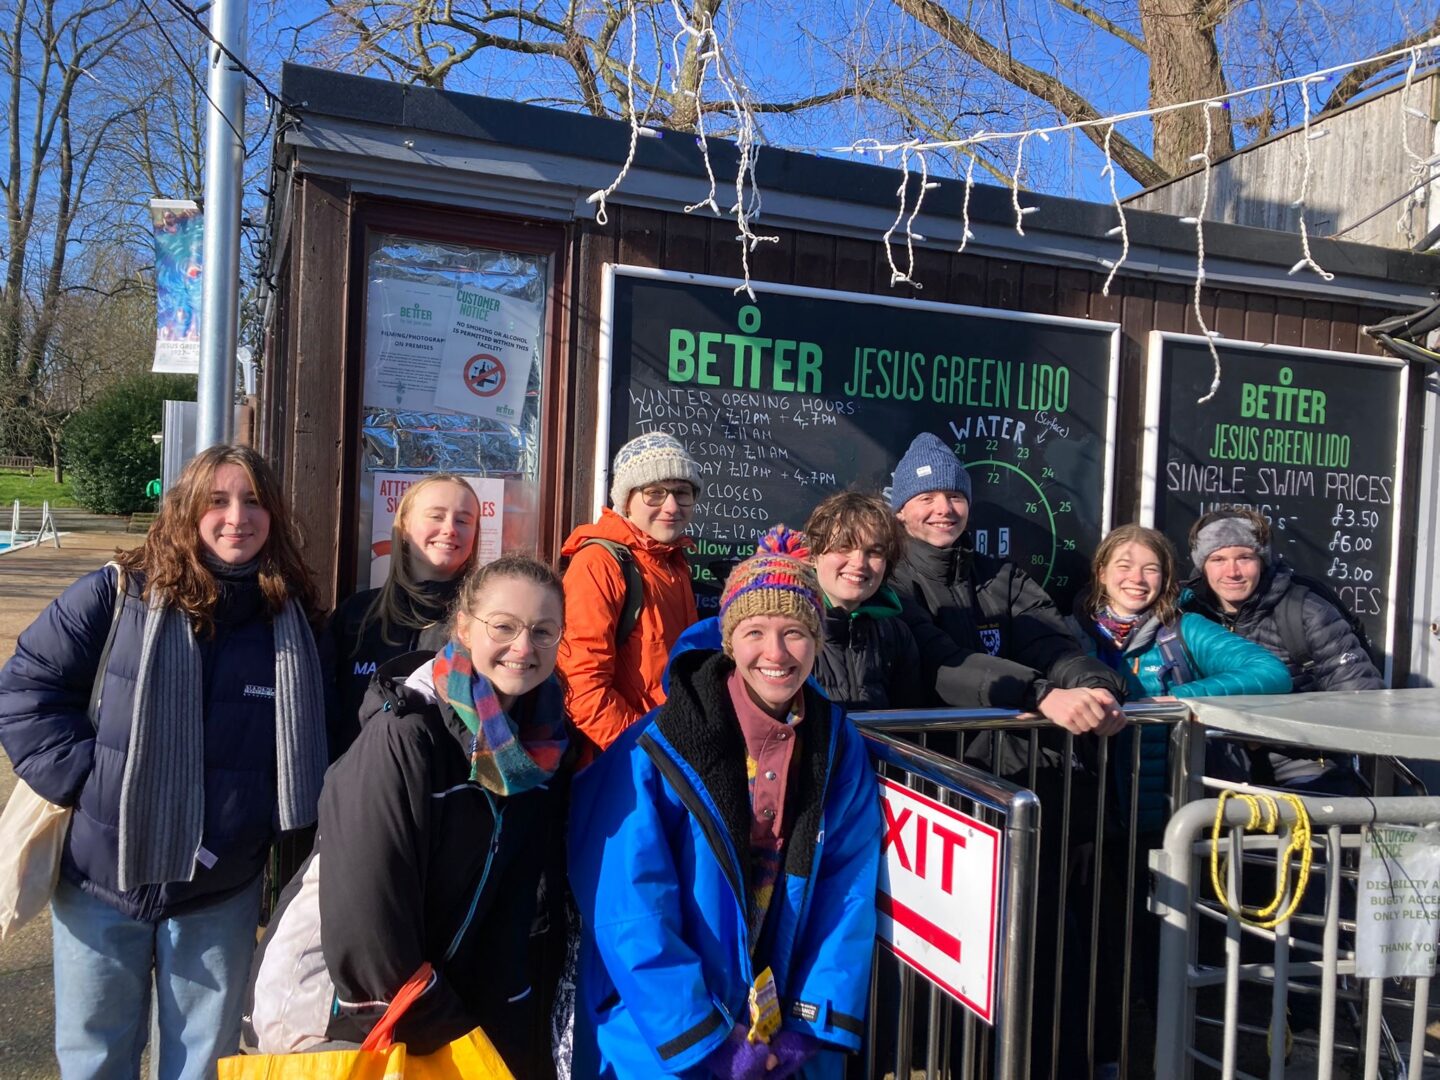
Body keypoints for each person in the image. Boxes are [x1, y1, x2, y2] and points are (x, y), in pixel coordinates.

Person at [0, 444, 327, 1080]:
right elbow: (27, 688)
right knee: (95, 1061)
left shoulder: (293, 620)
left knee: (201, 1067)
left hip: (219, 892)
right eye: (218, 500)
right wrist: (87, 780)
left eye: (254, 501)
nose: (238, 517)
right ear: (186, 510)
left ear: (274, 516)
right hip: (102, 882)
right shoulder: (115, 594)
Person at [249, 554, 570, 1072]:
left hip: (432, 1005)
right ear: (463, 626)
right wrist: (455, 1033)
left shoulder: (539, 750)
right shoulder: (406, 736)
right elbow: (367, 925)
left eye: (543, 630)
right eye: (503, 626)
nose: (523, 647)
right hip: (336, 1013)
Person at [567, 549, 881, 1078]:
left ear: (818, 641)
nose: (775, 652)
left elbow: (846, 888)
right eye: (755, 631)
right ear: (729, 640)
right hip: (661, 1028)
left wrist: (810, 1022)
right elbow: (630, 908)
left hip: (777, 1025)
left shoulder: (836, 744)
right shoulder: (660, 747)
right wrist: (704, 1038)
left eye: (795, 632)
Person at [887, 432, 1128, 734]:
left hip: (1011, 763)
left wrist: (1095, 686)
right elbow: (940, 661)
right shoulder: (889, 581)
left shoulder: (1005, 576)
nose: (944, 509)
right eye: (927, 498)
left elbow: (1052, 647)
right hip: (931, 764)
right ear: (900, 512)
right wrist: (1039, 694)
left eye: (955, 496)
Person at [1071, 524, 1292, 829]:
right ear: (1101, 573)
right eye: (1124, 566)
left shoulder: (1184, 629)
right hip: (1086, 821)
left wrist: (1180, 700)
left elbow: (1271, 673)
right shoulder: (1069, 632)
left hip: (1169, 822)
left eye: (1151, 569)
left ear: (1164, 578)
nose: (1136, 579)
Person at [1181, 507, 1383, 788]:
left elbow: (1363, 702)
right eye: (1218, 559)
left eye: (1244, 557)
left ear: (1262, 560)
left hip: (1302, 769)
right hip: (1206, 772)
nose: (1232, 571)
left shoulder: (1306, 611)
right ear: (1201, 564)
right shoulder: (1187, 613)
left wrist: (1266, 732)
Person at [558, 432, 701, 754]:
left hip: (669, 750)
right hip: (622, 761)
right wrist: (643, 753)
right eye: (654, 493)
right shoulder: (599, 563)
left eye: (682, 492)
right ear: (626, 500)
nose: (671, 506)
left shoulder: (673, 563)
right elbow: (581, 686)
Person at [323, 473, 481, 759]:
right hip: (360, 792)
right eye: (436, 516)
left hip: (446, 798)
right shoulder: (356, 617)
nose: (450, 529)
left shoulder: (482, 626)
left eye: (463, 520)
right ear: (405, 528)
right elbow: (322, 719)